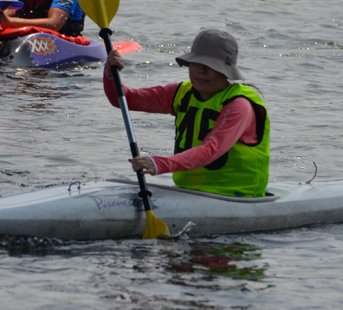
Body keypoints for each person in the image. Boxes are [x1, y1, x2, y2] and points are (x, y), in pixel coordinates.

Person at [104, 29, 271, 198]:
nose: (201, 71)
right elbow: (125, 100)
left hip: (237, 196)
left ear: (226, 71)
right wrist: (111, 74)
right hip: (189, 193)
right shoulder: (180, 93)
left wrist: (160, 164)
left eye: (211, 66)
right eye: (197, 63)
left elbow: (211, 149)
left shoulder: (239, 104)